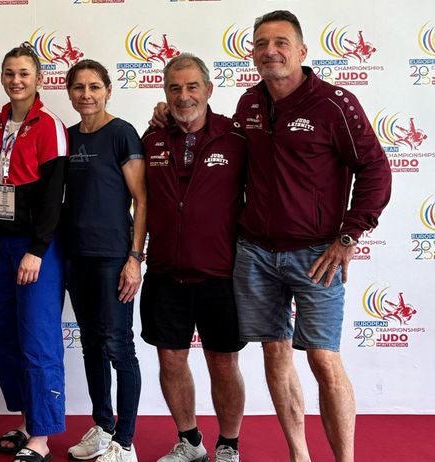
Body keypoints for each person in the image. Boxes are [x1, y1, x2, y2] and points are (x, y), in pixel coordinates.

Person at [233, 11, 391, 462]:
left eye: (281, 42)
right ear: (253, 54)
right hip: (256, 253)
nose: (270, 51)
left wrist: (349, 236)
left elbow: (376, 168)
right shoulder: (249, 104)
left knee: (323, 359)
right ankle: (299, 455)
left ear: (301, 51)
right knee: (275, 352)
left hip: (317, 255)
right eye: (261, 43)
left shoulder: (335, 104)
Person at [142, 53, 247, 462]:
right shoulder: (150, 137)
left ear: (208, 89)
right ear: (164, 94)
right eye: (174, 88)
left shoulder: (237, 138)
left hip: (221, 274)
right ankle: (190, 441)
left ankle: (229, 445)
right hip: (165, 271)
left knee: (223, 363)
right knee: (170, 359)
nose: (183, 96)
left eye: (191, 87)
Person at [60, 59, 145, 462]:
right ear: (70, 92)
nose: (87, 95)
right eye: (79, 88)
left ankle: (125, 442)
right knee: (91, 345)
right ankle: (103, 426)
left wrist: (135, 257)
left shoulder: (121, 133)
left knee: (118, 346)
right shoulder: (68, 136)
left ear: (108, 90)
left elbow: (142, 200)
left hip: (113, 257)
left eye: (95, 87)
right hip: (75, 257)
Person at [0, 43, 67, 462]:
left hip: (38, 247)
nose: (16, 80)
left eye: (24, 73)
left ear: (39, 79)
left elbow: (54, 196)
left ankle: (42, 436)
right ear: (2, 77)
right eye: (10, 73)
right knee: (3, 336)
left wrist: (37, 249)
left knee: (38, 339)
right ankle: (26, 419)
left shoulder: (48, 124)